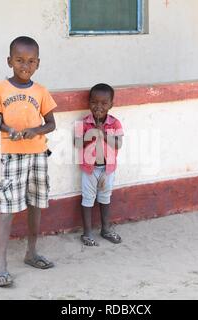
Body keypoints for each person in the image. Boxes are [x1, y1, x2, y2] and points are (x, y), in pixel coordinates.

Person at [0, 36, 57, 287]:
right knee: (7, 209)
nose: (24, 65)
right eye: (19, 60)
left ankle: (31, 252)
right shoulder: (1, 88)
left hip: (38, 155)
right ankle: (1, 266)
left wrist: (35, 131)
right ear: (9, 61)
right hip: (12, 155)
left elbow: (51, 124)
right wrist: (8, 128)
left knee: (35, 205)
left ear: (37, 64)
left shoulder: (41, 92)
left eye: (30, 61)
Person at [74, 83, 124, 246]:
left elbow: (118, 144)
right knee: (88, 199)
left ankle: (106, 229)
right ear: (89, 103)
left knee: (105, 197)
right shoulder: (83, 123)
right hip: (90, 169)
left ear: (111, 104)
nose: (98, 107)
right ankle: (87, 232)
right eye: (94, 102)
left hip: (107, 169)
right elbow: (77, 143)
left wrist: (103, 133)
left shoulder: (114, 123)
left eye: (104, 103)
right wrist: (92, 133)